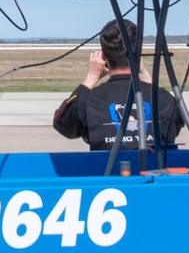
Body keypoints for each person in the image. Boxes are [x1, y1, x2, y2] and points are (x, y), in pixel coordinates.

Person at [52, 18, 181, 152]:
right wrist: (144, 73)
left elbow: (63, 125)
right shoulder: (164, 99)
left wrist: (91, 77)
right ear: (138, 51)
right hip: (154, 171)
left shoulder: (90, 100)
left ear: (103, 55)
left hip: (109, 171)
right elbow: (175, 124)